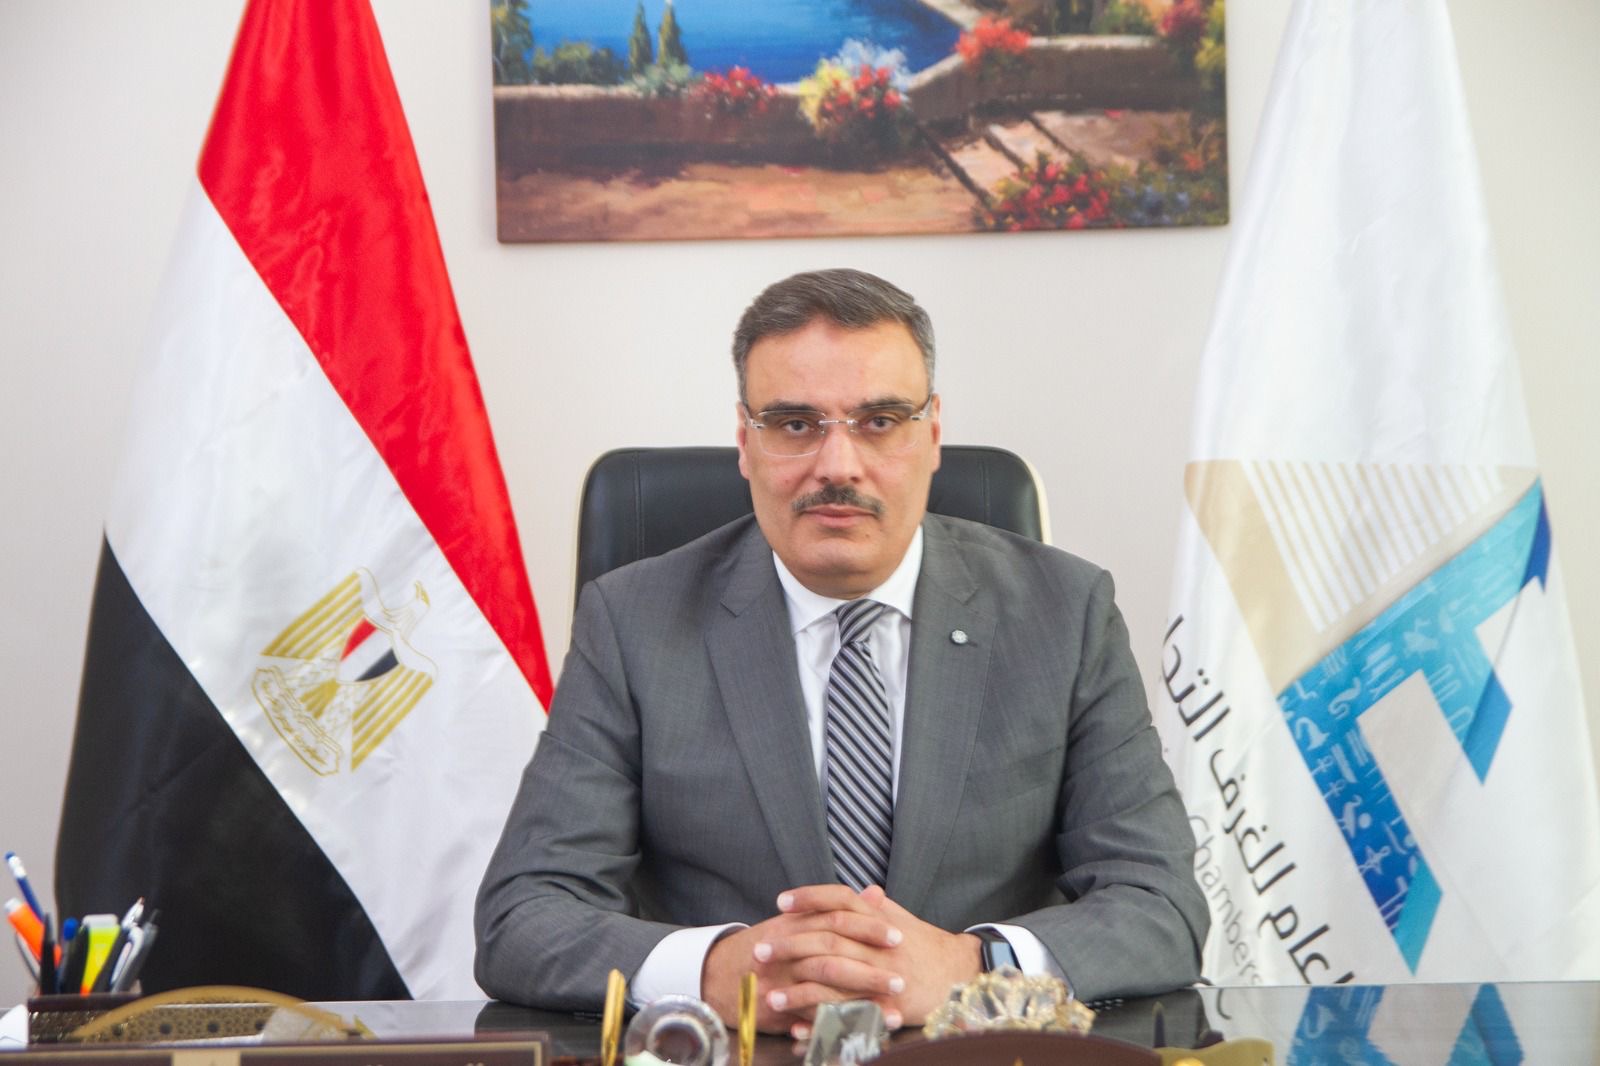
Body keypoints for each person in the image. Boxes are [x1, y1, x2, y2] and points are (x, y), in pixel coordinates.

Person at [475, 269, 1208, 1037]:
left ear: (931, 434)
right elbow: (523, 917)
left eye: (880, 420)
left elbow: (1160, 905)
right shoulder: (633, 622)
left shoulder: (1064, 613)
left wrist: (971, 968)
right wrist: (716, 971)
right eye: (795, 424)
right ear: (745, 443)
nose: (837, 466)